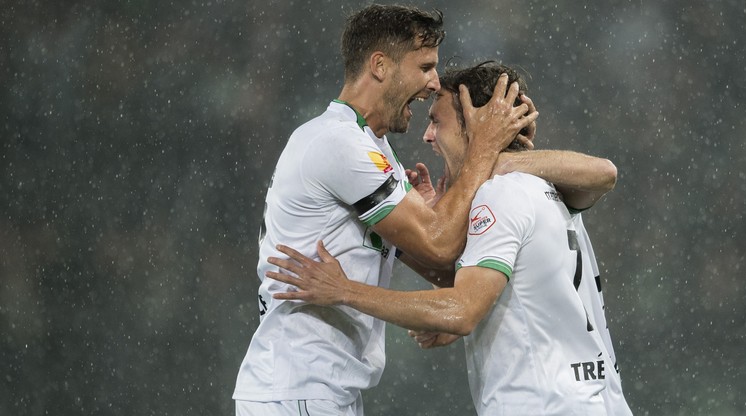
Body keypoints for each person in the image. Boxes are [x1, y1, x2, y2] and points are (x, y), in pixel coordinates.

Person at [233, 5, 616, 416]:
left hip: (321, 390)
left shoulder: (387, 155)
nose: (432, 82)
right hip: (299, 386)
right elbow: (440, 247)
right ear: (380, 65)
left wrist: (480, 164)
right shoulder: (339, 144)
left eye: (439, 120)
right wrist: (480, 161)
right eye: (425, 66)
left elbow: (456, 281)